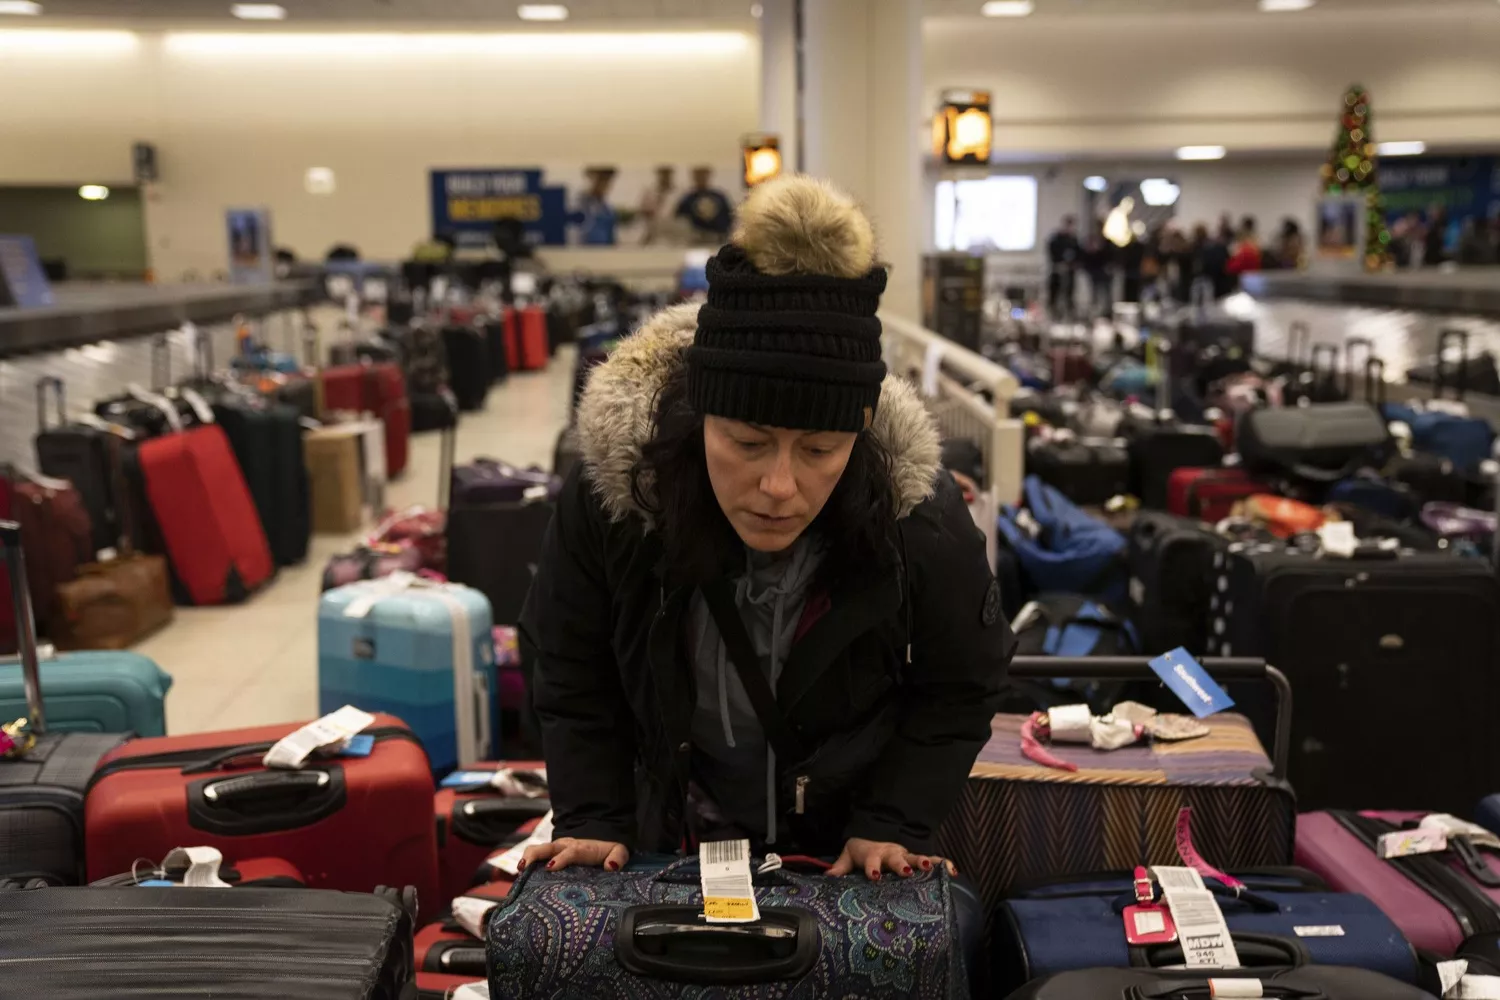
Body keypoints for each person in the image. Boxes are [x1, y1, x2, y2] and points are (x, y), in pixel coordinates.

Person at [520, 175, 1014, 884]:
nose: (780, 486)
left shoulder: (918, 518)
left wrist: (892, 820)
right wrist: (594, 815)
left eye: (819, 450)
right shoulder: (618, 498)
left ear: (862, 433)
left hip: (843, 847)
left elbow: (965, 680)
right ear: (700, 421)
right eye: (748, 443)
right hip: (669, 829)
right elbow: (570, 663)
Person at [674, 166, 734, 243]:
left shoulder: (719, 197)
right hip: (696, 238)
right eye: (698, 176)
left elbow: (729, 216)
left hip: (716, 238)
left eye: (703, 176)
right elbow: (679, 218)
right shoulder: (689, 198)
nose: (701, 179)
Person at [1046, 215, 1080, 318]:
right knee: (1055, 294)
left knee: (1069, 294)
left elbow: (1078, 253)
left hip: (1069, 272)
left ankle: (1069, 314)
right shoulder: (1056, 238)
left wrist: (1073, 264)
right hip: (1057, 271)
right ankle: (1054, 313)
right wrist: (1059, 263)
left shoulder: (1073, 239)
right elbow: (1051, 251)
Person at [638, 166, 678, 245]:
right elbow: (643, 214)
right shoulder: (649, 192)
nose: (665, 176)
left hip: (673, 236)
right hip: (653, 235)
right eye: (662, 172)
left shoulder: (678, 193)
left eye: (667, 173)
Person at [1226, 216, 1263, 286]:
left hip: (1245, 279)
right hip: (1254, 277)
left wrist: (1230, 260)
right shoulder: (1255, 245)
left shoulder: (1244, 250)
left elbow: (1232, 268)